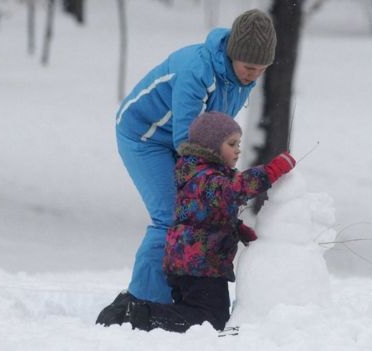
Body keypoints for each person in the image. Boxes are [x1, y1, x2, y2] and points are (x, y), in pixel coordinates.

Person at [96, 9, 277, 326]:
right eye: (249, 67)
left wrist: (221, 202)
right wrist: (221, 190)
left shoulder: (241, 78)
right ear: (234, 54)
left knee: (195, 213)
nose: (253, 75)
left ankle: (174, 297)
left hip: (187, 141)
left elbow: (216, 133)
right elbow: (188, 142)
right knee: (171, 216)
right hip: (145, 135)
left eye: (261, 69)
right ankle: (140, 302)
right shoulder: (197, 70)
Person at [123, 112, 296, 332]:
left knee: (193, 314)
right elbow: (235, 190)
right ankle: (140, 315)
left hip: (190, 261)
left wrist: (237, 229)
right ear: (211, 147)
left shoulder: (199, 175)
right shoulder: (206, 178)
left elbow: (200, 215)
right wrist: (271, 171)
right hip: (199, 265)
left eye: (239, 143)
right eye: (231, 143)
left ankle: (143, 314)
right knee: (210, 320)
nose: (238, 149)